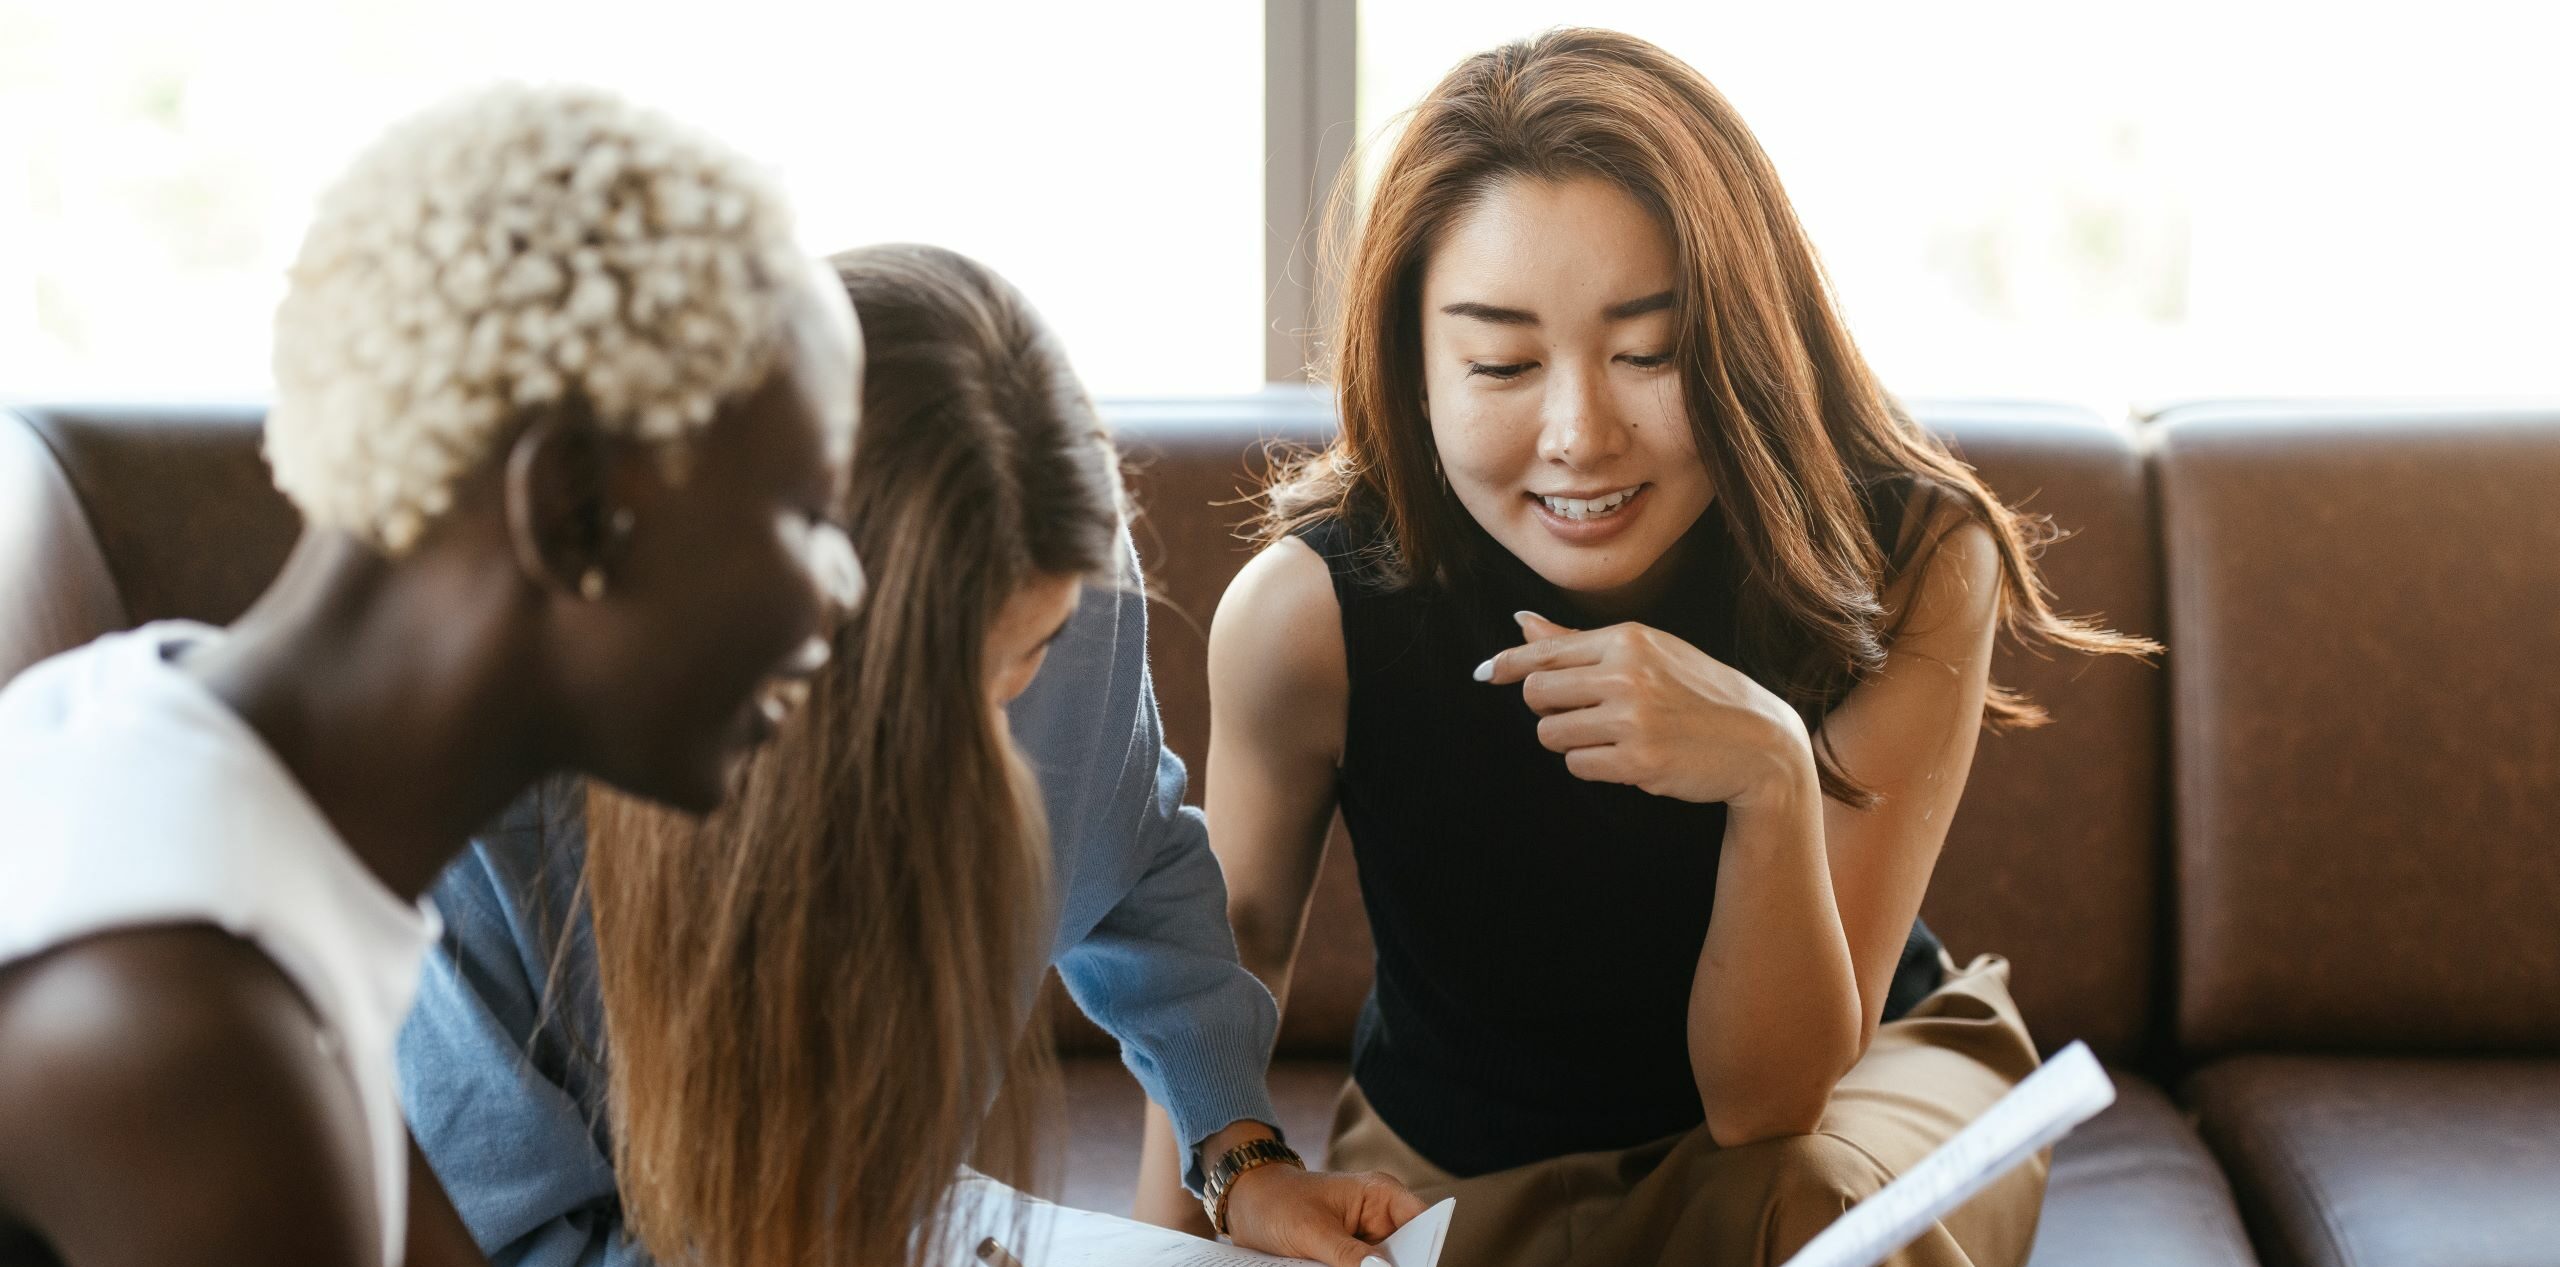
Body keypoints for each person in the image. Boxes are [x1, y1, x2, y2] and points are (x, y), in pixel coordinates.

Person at [1131, 28, 2157, 1267]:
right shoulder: (1303, 613)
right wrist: (1160, 1243)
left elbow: (1766, 1106)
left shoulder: (1915, 558)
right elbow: (1231, 936)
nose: (1579, 433)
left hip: (1840, 1103)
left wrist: (1770, 779)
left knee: (1790, 1211)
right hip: (1460, 1145)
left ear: (1745, 337)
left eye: (1650, 352)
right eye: (1500, 362)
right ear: (1410, 369)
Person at [398, 244, 1423, 1267]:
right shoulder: (493, 790)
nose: (993, 755)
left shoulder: (1075, 593)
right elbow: (509, 1234)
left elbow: (1134, 866)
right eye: (935, 696)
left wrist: (1240, 1157)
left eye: (1024, 660)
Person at [0, 85, 860, 1267]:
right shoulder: (183, 1029)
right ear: (572, 512)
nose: (843, 587)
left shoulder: (163, 744)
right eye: (807, 512)